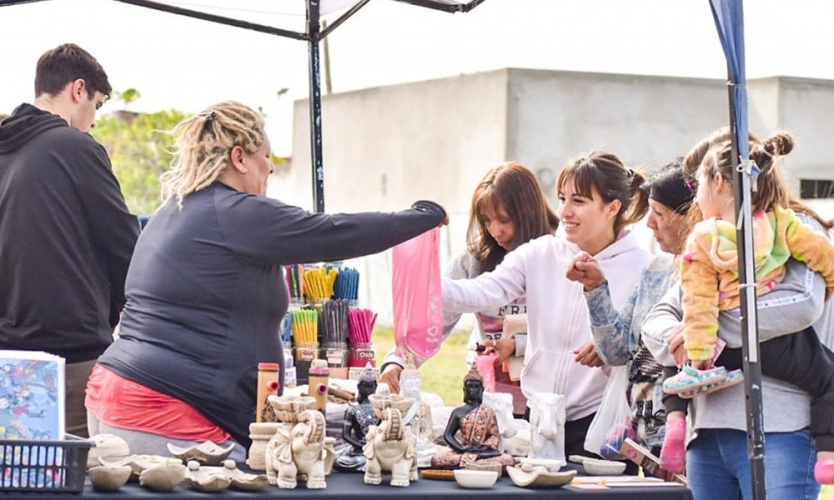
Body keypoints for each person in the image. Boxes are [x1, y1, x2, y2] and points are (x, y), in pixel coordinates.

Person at [85, 101, 447, 456]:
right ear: (239, 158)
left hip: (116, 393)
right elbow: (333, 231)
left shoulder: (172, 212)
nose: (271, 168)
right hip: (168, 407)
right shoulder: (236, 212)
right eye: (266, 157)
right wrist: (418, 218)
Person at [642, 129, 834, 500]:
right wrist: (681, 340)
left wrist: (707, 331)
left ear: (723, 180)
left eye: (692, 181)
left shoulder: (794, 227)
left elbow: (803, 304)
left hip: (780, 429)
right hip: (708, 431)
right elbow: (659, 316)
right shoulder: (709, 238)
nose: (692, 195)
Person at [442, 151, 651, 458]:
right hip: (536, 418)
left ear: (613, 207)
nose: (564, 211)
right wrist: (425, 285)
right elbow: (484, 291)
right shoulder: (539, 253)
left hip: (601, 426)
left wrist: (611, 345)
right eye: (562, 198)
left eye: (578, 201)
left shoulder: (643, 267)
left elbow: (648, 351)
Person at [0, 43, 140, 438]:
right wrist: (110, 318)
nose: (93, 121)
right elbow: (124, 247)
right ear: (78, 90)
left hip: (8, 358)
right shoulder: (76, 148)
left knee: (15, 477)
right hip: (72, 354)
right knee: (75, 479)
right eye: (95, 105)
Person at [380, 161, 559, 418]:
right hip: (485, 393)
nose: (495, 230)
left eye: (504, 220)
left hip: (546, 399)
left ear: (528, 212)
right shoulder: (472, 261)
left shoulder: (560, 254)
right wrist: (396, 362)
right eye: (487, 221)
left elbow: (570, 333)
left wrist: (518, 345)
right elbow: (432, 322)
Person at [565, 159, 693, 467]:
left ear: (691, 217)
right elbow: (617, 350)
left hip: (688, 440)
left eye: (659, 214)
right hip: (644, 439)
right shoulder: (657, 269)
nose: (649, 222)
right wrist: (596, 289)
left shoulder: (709, 275)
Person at [430, 366, 516, 469]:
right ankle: (479, 466)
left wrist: (484, 447)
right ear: (464, 390)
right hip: (464, 450)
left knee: (508, 460)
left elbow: (494, 435)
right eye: (470, 387)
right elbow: (448, 435)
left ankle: (470, 464)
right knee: (437, 459)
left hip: (484, 453)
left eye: (476, 387)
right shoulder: (458, 412)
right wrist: (461, 449)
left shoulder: (488, 411)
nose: (473, 390)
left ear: (482, 390)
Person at [334, 365, 380, 472]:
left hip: (377, 450)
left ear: (376, 387)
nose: (368, 390)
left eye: (371, 386)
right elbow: (345, 435)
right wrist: (361, 446)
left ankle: (372, 463)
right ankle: (370, 464)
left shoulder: (380, 409)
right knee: (339, 460)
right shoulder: (352, 410)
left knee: (387, 457)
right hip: (358, 450)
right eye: (365, 386)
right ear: (359, 387)